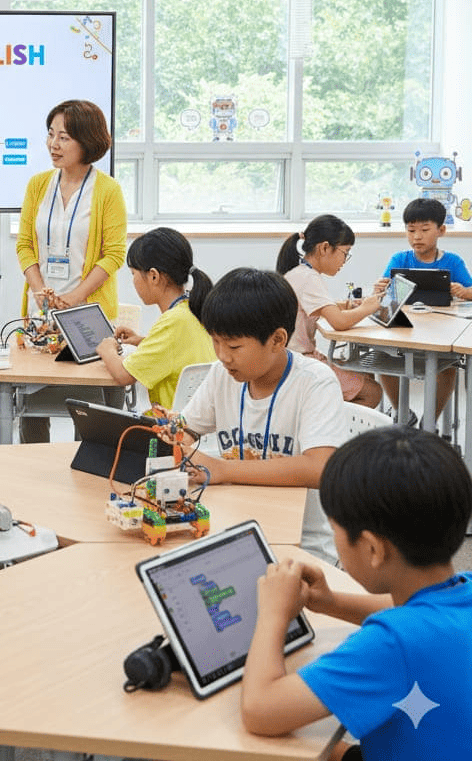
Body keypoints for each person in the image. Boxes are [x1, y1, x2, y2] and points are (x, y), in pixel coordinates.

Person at [241, 425, 472, 760]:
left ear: (372, 549)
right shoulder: (460, 589)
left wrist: (273, 614)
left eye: (335, 528)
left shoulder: (392, 644)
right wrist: (331, 602)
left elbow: (260, 710)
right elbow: (409, 613)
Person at [178, 267, 348, 558]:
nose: (222, 356)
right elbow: (184, 430)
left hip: (301, 545)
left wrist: (223, 469)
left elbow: (321, 468)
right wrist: (172, 438)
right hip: (232, 530)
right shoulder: (222, 375)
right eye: (215, 341)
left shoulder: (314, 382)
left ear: (278, 340)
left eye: (234, 346)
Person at [15, 99, 127, 441]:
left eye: (64, 137)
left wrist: (75, 297)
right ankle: (33, 464)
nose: (54, 144)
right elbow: (24, 245)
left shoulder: (107, 190)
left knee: (92, 410)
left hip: (87, 312)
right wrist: (39, 291)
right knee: (32, 401)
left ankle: (91, 462)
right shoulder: (38, 185)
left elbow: (114, 254)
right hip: (41, 311)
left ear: (87, 140)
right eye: (51, 134)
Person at [374, 197, 472, 425]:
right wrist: (379, 288)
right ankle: (403, 413)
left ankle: (429, 422)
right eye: (411, 231)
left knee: (448, 370)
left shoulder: (452, 262)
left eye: (424, 230)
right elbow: (384, 298)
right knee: (382, 359)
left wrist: (465, 291)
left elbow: (471, 291)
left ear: (441, 230)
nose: (416, 236)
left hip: (441, 335)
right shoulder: (400, 259)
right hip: (404, 333)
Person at [96, 227, 215, 409]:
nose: (133, 281)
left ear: (153, 276)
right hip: (192, 419)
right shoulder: (191, 308)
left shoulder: (173, 322)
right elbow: (180, 350)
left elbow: (123, 375)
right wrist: (142, 341)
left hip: (170, 422)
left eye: (133, 274)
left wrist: (107, 349)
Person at [275, 215, 383, 409]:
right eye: (345, 252)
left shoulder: (300, 272)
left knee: (365, 375)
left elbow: (323, 308)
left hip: (290, 358)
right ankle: (330, 422)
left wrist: (348, 306)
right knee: (373, 392)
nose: (345, 260)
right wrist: (367, 308)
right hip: (299, 362)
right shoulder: (309, 278)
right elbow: (339, 322)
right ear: (324, 248)